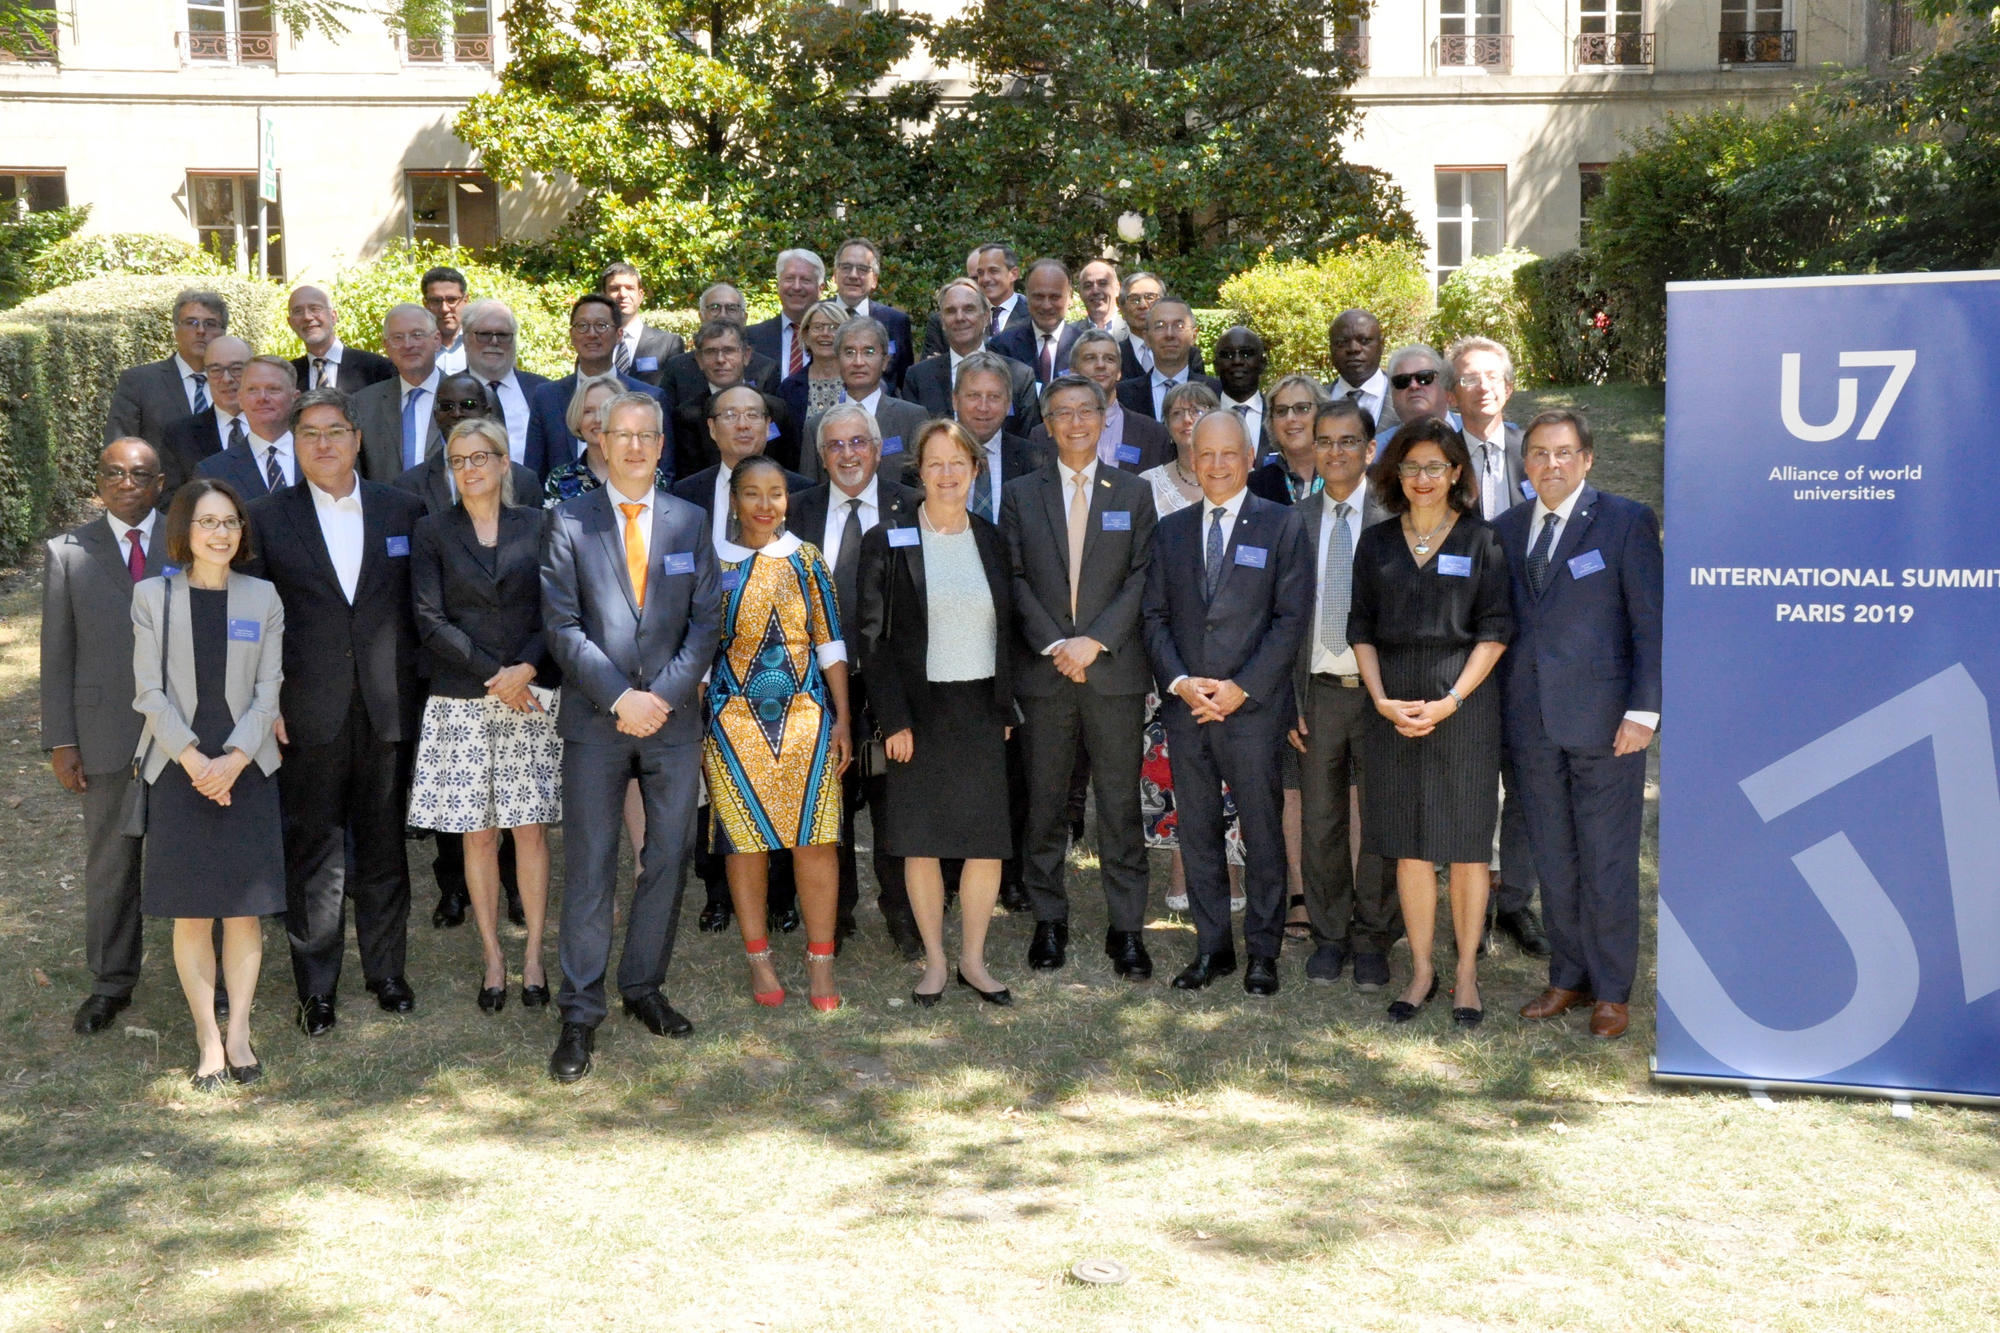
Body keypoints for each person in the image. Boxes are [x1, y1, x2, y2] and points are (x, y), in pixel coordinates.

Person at [541, 391, 723, 1083]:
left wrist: (660, 698)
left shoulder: (690, 520)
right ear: (602, 441)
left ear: (661, 445)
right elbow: (561, 626)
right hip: (597, 720)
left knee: (669, 856)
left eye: (650, 434)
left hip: (672, 722)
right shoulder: (568, 521)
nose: (638, 446)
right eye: (625, 434)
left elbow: (706, 622)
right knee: (590, 867)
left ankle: (643, 985)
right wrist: (620, 697)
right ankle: (580, 1012)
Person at [247, 386, 428, 1035]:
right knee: (315, 851)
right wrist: (264, 699)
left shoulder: (402, 509)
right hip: (304, 710)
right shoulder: (266, 518)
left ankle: (386, 972)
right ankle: (316, 987)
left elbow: (419, 611)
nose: (324, 444)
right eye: (310, 434)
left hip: (386, 707)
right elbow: (254, 621)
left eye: (335, 431)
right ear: (295, 446)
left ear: (357, 438)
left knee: (383, 847)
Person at [1498, 410, 1661, 1040]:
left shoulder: (1626, 522)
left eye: (1564, 453)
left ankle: (1612, 989)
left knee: (1608, 859)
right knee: (1555, 858)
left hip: (1606, 726)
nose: (1551, 464)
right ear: (1526, 463)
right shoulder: (1507, 530)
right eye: (1539, 453)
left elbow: (1649, 622)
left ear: (1587, 458)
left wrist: (1644, 712)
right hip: (1530, 727)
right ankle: (1567, 977)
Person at [1348, 418, 1512, 1029]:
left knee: (1467, 846)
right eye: (1411, 467)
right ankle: (1421, 969)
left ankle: (1465, 971)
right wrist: (1383, 698)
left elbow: (1496, 631)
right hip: (1390, 709)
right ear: (1395, 473)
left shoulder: (1482, 541)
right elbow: (1359, 627)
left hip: (1464, 710)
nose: (1423, 478)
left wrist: (1450, 701)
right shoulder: (1377, 543)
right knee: (1411, 847)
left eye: (1435, 467)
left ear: (1457, 474)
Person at [1141, 411, 1308, 995]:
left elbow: (1290, 620)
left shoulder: (1283, 527)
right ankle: (1212, 949)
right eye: (1204, 453)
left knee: (1262, 835)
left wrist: (1243, 688)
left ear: (1248, 456)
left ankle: (1263, 951)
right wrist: (1183, 682)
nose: (1215, 465)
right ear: (1192, 453)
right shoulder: (1171, 530)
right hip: (1189, 709)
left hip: (1252, 712)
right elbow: (1154, 617)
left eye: (1227, 454)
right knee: (1199, 832)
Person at [1002, 374, 1159, 980]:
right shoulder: (1021, 493)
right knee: (1044, 804)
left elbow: (1142, 577)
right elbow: (1013, 577)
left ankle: (1127, 929)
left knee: (1119, 806)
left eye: (1085, 411)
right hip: (1045, 675)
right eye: (1062, 413)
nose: (1074, 422)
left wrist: (1095, 642)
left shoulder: (1133, 493)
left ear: (1102, 417)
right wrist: (1056, 643)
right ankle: (1049, 919)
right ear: (1046, 423)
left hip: (1112, 674)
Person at [859, 419, 1019, 1008]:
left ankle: (974, 960)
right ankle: (933, 961)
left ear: (976, 470)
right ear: (918, 473)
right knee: (920, 839)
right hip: (916, 714)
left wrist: (1006, 703)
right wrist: (893, 718)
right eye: (935, 464)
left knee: (984, 841)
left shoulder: (994, 539)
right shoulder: (890, 538)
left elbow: (1010, 630)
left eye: (959, 462)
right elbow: (872, 639)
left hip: (980, 706)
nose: (948, 474)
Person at [131, 478, 285, 1089]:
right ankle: (207, 1040)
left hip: (247, 767)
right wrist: (198, 764)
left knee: (244, 912)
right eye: (207, 522)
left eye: (230, 522)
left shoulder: (263, 597)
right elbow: (148, 692)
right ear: (184, 532)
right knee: (192, 913)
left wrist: (234, 760)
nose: (220, 533)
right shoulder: (152, 596)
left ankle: (240, 1032)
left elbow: (269, 691)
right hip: (178, 768)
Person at [406, 419, 563, 1013]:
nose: (469, 469)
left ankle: (532, 957)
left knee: (530, 832)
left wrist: (524, 666)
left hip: (530, 694)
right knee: (478, 833)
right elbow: (428, 617)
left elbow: (558, 605)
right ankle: (493, 954)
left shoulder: (542, 525)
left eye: (481, 457)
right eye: (458, 460)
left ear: (504, 464)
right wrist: (496, 675)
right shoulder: (431, 531)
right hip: (463, 699)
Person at [703, 455, 854, 1010]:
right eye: (752, 494)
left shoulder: (807, 561)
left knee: (815, 840)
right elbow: (700, 648)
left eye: (776, 493)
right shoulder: (712, 560)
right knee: (745, 844)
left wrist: (843, 717)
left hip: (805, 717)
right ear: (733, 500)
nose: (766, 506)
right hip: (732, 720)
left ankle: (821, 963)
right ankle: (759, 960)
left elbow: (830, 643)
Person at [42, 440, 173, 1034]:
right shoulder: (68, 554)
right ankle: (111, 981)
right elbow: (57, 655)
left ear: (160, 482)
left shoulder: (189, 535)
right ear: (98, 481)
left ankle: (211, 976)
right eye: (114, 473)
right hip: (104, 731)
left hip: (184, 731)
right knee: (112, 863)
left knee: (191, 855)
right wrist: (61, 739)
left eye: (139, 474)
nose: (127, 483)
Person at [789, 404, 924, 958]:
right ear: (822, 457)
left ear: (876, 447)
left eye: (857, 443)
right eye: (835, 446)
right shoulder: (795, 512)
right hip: (818, 685)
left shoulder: (911, 507)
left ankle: (903, 914)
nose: (848, 454)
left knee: (898, 804)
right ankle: (835, 914)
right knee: (829, 803)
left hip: (894, 682)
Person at [1287, 400, 1402, 990]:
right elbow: (1279, 618)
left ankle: (1374, 936)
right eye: (1324, 441)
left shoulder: (1396, 517)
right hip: (1319, 692)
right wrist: (1289, 699)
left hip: (1380, 694)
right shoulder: (1293, 520)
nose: (1335, 452)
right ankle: (1330, 935)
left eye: (1348, 441)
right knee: (1323, 819)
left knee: (1381, 817)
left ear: (1370, 448)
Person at [1445, 335, 1546, 958]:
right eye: (1468, 378)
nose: (1481, 386)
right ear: (1453, 392)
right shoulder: (1438, 456)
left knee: (1527, 781)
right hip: (1461, 638)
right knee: (1472, 782)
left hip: (1532, 642)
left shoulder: (1536, 453)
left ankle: (1516, 902)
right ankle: (1469, 903)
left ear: (1508, 387)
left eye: (1492, 377)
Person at [1134, 381, 1244, 910]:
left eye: (1200, 409)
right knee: (1180, 770)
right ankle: (1183, 872)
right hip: (1172, 665)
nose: (1188, 418)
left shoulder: (1248, 493)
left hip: (1233, 670)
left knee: (1232, 775)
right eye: (1178, 411)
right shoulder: (1145, 487)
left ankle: (1234, 871)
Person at [524, 293, 672, 480]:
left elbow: (665, 471)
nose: (592, 334)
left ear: (619, 334)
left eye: (601, 325)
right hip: (562, 506)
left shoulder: (650, 397)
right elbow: (535, 472)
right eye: (582, 326)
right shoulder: (546, 396)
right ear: (572, 335)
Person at [798, 316, 929, 484]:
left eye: (869, 352)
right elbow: (810, 495)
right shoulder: (816, 426)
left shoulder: (912, 418)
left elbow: (923, 484)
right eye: (849, 352)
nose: (858, 362)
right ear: (837, 361)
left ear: (885, 361)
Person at [899, 278, 1040, 434]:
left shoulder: (1019, 376)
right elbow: (913, 438)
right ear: (943, 322)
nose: (960, 317)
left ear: (986, 317)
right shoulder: (918, 378)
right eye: (951, 311)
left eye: (969, 309)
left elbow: (1029, 442)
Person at [393, 373, 540, 518]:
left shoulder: (524, 481)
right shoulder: (409, 485)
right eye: (447, 406)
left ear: (487, 412)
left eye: (468, 405)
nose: (456, 413)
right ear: (436, 416)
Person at [1032, 328, 1173, 474]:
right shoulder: (1042, 435)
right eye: (1090, 358)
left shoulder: (1153, 434)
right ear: (1073, 371)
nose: (1100, 365)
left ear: (1119, 372)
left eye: (1109, 359)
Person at [672, 319, 797, 479]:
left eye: (729, 350)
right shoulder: (687, 416)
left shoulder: (776, 408)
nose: (720, 359)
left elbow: (789, 468)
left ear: (746, 355)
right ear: (699, 360)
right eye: (711, 352)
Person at [104, 288, 226, 448]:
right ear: (176, 330)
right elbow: (118, 449)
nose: (201, 331)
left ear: (223, 332)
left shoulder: (238, 385)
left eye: (210, 324)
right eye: (191, 323)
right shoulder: (140, 383)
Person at [543, 373, 670, 505]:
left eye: (606, 410)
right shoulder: (560, 479)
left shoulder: (649, 473)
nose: (598, 419)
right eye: (588, 411)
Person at [949, 351, 1045, 525]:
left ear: (1008, 404)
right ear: (955, 400)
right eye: (973, 396)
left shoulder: (1033, 460)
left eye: (994, 397)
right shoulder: (933, 459)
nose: (983, 407)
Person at [351, 303, 444, 481]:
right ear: (386, 346)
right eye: (398, 338)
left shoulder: (468, 397)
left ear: (437, 340)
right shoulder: (364, 403)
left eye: (417, 335)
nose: (408, 345)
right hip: (388, 507)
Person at [158, 334, 250, 506]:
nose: (227, 379)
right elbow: (170, 504)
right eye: (216, 370)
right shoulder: (179, 435)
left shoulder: (278, 428)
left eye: (236, 369)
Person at [461, 299, 552, 465]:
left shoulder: (545, 391)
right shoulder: (448, 392)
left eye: (503, 335)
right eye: (484, 334)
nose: (494, 341)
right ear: (466, 340)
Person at [198, 355, 300, 500]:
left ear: (295, 397)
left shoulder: (322, 457)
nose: (262, 398)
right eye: (252, 390)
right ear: (240, 398)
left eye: (273, 389)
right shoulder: (212, 472)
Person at [663, 283, 782, 403]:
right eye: (714, 308)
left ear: (744, 317)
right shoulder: (677, 368)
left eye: (732, 308)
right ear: (701, 316)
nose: (723, 315)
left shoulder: (766, 369)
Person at [830, 237, 915, 391]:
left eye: (862, 269)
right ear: (835, 274)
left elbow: (903, 381)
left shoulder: (896, 322)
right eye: (846, 267)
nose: (853, 275)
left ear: (874, 279)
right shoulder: (816, 316)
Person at [1116, 298, 1220, 421]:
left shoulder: (1217, 392)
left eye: (1179, 326)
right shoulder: (1121, 395)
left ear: (1194, 335)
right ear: (1146, 338)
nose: (1169, 334)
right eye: (1160, 326)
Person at [922, 242, 1031, 356]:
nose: (985, 279)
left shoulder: (1035, 316)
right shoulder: (944, 321)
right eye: (978, 275)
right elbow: (930, 369)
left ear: (1013, 274)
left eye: (993, 271)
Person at [990, 259, 1084, 387]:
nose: (1046, 306)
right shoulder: (1002, 347)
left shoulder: (1085, 348)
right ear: (1026, 296)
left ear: (1070, 297)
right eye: (1038, 297)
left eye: (1054, 297)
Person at [288, 284, 394, 392]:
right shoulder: (288, 375)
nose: (307, 317)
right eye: (298, 311)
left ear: (333, 316)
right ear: (290, 322)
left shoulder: (377, 368)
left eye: (315, 308)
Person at [746, 249, 828, 379]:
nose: (796, 287)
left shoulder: (835, 338)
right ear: (778, 285)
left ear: (820, 289)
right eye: (789, 278)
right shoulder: (751, 338)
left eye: (805, 280)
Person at [1248, 372, 1327, 505]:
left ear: (1322, 414)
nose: (1290, 418)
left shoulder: (1345, 475)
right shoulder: (1254, 488)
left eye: (1302, 408)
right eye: (1281, 411)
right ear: (1271, 422)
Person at [601, 260, 683, 384]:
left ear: (640, 295)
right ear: (604, 296)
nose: (623, 294)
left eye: (630, 288)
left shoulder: (669, 344)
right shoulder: (593, 344)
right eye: (615, 288)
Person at [1115, 271, 1205, 381]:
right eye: (1135, 300)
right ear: (1122, 309)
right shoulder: (1113, 355)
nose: (1143, 305)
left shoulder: (1188, 353)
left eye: (1150, 297)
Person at [775, 299, 850, 424]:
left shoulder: (859, 382)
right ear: (806, 335)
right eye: (818, 327)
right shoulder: (789, 388)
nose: (825, 333)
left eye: (834, 328)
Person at [1376, 344, 1459, 448]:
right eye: (1403, 380)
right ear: (1392, 393)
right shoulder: (1375, 452)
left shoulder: (1474, 433)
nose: (1413, 386)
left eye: (1424, 377)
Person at [1328, 309, 1394, 432]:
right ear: (1331, 349)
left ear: (1381, 345)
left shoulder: (1404, 398)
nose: (1353, 349)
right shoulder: (1315, 402)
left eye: (1364, 341)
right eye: (1342, 342)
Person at [1212, 326, 1272, 454]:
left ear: (1263, 363)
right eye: (1227, 355)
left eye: (1246, 354)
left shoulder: (1279, 415)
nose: (1237, 361)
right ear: (1216, 365)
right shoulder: (1202, 416)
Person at [422, 265, 470, 374]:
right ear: (425, 304)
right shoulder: (415, 347)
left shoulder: (481, 343)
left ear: (465, 300)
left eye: (452, 300)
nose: (444, 309)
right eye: (436, 301)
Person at [1074, 259, 1124, 339]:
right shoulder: (1068, 335)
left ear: (1117, 289)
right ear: (1080, 292)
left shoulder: (1133, 331)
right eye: (1088, 285)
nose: (1095, 291)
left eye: (1102, 283)